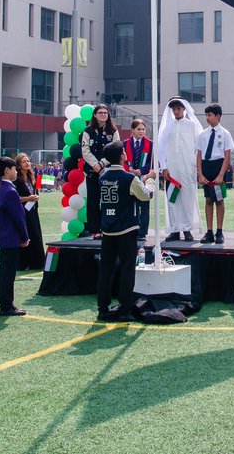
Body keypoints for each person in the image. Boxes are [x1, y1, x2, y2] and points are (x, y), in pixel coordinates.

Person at [96, 141, 156, 321]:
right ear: (122, 156)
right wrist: (150, 179)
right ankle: (125, 309)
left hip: (107, 229)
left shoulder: (102, 177)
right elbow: (145, 195)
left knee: (106, 270)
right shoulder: (128, 178)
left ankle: (102, 308)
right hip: (126, 229)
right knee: (127, 270)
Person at [156, 97, 202, 242]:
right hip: (171, 168)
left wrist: (196, 167)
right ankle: (175, 229)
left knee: (188, 198)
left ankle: (187, 229)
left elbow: (198, 148)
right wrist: (163, 167)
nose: (176, 111)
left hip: (188, 167)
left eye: (179, 108)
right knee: (172, 198)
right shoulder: (166, 127)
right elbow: (161, 149)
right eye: (174, 109)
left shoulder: (192, 125)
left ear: (184, 109)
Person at [0, 156, 29, 316]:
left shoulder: (3, 189)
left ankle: (5, 303)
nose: (15, 171)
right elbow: (18, 217)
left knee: (5, 271)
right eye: (14, 168)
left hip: (5, 237)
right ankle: (6, 305)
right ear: (7, 171)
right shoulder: (10, 191)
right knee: (8, 273)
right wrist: (24, 237)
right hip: (11, 238)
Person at [79, 104, 120, 238]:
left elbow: (116, 149)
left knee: (109, 201)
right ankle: (95, 230)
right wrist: (96, 165)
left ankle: (109, 228)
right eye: (100, 113)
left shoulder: (113, 131)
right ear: (95, 115)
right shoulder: (87, 131)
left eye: (105, 113)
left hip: (108, 171)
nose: (103, 115)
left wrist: (102, 164)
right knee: (93, 201)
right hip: (92, 171)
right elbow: (85, 151)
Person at [195, 104, 234, 244]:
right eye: (206, 115)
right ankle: (209, 231)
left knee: (219, 199)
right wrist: (200, 173)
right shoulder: (203, 134)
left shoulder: (225, 133)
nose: (207, 118)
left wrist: (221, 174)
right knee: (208, 199)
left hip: (219, 165)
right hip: (206, 166)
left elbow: (227, 155)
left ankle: (219, 231)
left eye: (210, 115)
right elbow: (199, 155)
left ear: (217, 116)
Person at [123, 119, 153, 242]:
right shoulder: (125, 144)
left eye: (143, 129)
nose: (141, 131)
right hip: (128, 177)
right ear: (132, 130)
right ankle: (130, 229)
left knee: (144, 205)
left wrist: (140, 171)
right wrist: (129, 169)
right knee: (129, 205)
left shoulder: (150, 144)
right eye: (138, 129)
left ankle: (142, 231)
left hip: (143, 177)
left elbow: (151, 161)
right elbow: (122, 160)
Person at [13, 153, 45, 271]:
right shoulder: (16, 179)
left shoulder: (32, 177)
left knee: (35, 235)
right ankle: (23, 262)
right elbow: (14, 197)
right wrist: (28, 199)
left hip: (32, 211)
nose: (27, 163)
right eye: (24, 161)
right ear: (19, 165)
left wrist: (35, 197)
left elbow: (34, 192)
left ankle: (37, 262)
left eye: (28, 161)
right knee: (25, 235)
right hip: (22, 212)